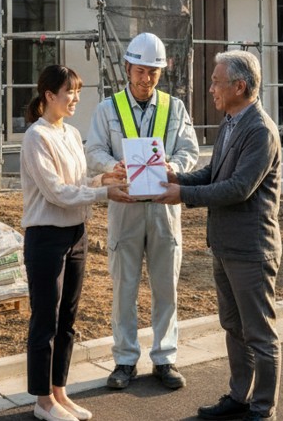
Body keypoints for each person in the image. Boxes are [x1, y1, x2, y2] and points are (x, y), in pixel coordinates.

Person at [154, 50, 282, 421]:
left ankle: (262, 409)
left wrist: (183, 195)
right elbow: (214, 172)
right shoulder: (232, 121)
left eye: (216, 81)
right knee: (234, 326)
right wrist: (177, 177)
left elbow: (238, 187)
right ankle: (240, 396)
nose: (210, 88)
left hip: (251, 248)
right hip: (226, 245)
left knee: (259, 334)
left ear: (239, 86)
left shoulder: (259, 130)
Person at [85, 32, 199, 391]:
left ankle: (165, 358)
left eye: (153, 71)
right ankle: (125, 359)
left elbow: (190, 149)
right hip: (127, 207)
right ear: (127, 69)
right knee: (124, 286)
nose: (146, 77)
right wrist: (112, 166)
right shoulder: (107, 109)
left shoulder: (174, 108)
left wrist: (174, 167)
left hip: (164, 207)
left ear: (160, 72)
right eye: (140, 70)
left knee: (167, 286)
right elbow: (93, 151)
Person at [20, 65, 129, 421]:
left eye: (78, 91)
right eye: (69, 92)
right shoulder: (36, 137)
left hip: (76, 232)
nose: (76, 99)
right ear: (49, 96)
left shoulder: (69, 133)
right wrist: (103, 191)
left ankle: (59, 392)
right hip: (46, 236)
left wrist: (104, 176)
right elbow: (56, 192)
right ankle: (41, 401)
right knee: (45, 320)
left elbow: (76, 179)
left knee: (67, 318)